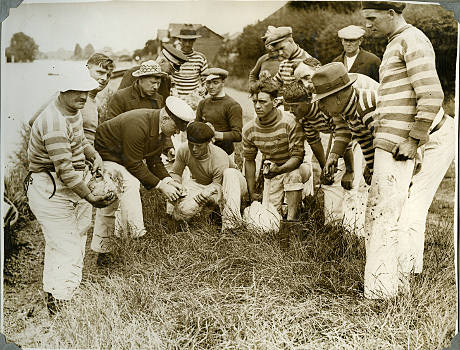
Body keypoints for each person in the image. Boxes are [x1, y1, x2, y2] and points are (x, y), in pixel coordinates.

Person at [361, 1, 447, 299]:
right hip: (389, 141)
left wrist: (414, 139)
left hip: (400, 145)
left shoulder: (412, 39)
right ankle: (388, 285)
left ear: (391, 13)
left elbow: (431, 92)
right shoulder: (394, 42)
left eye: (372, 18)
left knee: (387, 214)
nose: (367, 25)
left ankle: (383, 291)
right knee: (383, 212)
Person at [25, 66, 115, 315]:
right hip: (50, 187)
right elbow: (64, 170)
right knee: (67, 246)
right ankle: (63, 306)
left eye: (86, 90)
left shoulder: (72, 110)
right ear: (62, 90)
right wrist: (91, 197)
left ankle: (57, 296)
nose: (83, 96)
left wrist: (93, 154)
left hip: (70, 185)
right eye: (76, 91)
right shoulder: (53, 121)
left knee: (68, 241)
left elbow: (80, 140)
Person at [91, 96, 195, 264]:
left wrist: (168, 181)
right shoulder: (138, 124)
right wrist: (161, 186)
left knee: (118, 196)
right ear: (166, 118)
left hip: (122, 159)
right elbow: (134, 163)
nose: (177, 133)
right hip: (105, 157)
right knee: (128, 184)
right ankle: (135, 238)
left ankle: (114, 245)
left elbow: (154, 160)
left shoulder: (158, 126)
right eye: (176, 128)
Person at [243, 79, 311, 224]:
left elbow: (297, 157)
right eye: (255, 102)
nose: (257, 106)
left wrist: (279, 170)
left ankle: (292, 223)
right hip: (273, 170)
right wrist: (252, 192)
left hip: (296, 167)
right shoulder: (249, 129)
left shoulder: (290, 122)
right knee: (271, 216)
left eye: (262, 102)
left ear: (274, 102)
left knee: (293, 175)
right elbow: (249, 160)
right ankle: (288, 208)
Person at [169, 122, 247, 230]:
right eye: (191, 144)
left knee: (229, 173)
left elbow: (217, 189)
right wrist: (177, 186)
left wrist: (203, 200)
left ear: (208, 143)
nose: (194, 149)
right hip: (203, 184)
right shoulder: (184, 149)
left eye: (199, 146)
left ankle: (231, 226)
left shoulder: (219, 157)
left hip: (230, 186)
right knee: (181, 212)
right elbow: (176, 173)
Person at [28, 53, 115, 145]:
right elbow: (34, 121)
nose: (104, 78)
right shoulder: (69, 96)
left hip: (88, 154)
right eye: (100, 72)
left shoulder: (96, 102)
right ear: (87, 69)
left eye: (108, 75)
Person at [195, 68, 243, 157]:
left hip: (225, 154)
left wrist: (213, 134)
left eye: (215, 82)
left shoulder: (233, 105)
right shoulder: (203, 103)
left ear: (223, 83)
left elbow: (237, 135)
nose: (211, 86)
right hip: (204, 153)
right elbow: (196, 126)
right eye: (208, 83)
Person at [118, 43, 188, 102]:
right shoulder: (133, 73)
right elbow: (120, 100)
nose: (172, 74)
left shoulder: (166, 80)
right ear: (162, 61)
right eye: (170, 69)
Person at [171, 25, 208, 98]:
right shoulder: (172, 57)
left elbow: (206, 80)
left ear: (194, 40)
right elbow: (167, 77)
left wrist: (204, 89)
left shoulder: (200, 58)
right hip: (176, 98)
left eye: (190, 40)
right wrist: (173, 91)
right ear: (179, 40)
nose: (187, 44)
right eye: (184, 40)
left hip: (195, 98)